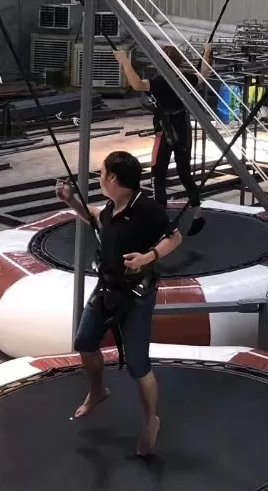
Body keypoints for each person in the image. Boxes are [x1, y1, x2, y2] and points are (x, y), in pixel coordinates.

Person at [56, 150, 182, 456]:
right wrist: (71, 200)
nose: (99, 179)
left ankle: (151, 419)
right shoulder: (112, 208)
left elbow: (175, 237)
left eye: (101, 174)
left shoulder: (146, 209)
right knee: (85, 340)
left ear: (114, 177)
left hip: (136, 295)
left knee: (138, 365)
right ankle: (98, 391)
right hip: (107, 287)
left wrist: (148, 257)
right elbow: (94, 217)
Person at [115, 42, 212, 219]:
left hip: (165, 133)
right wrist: (207, 52)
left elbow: (136, 84)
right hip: (183, 130)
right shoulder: (186, 78)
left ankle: (161, 217)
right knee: (185, 174)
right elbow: (203, 74)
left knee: (158, 176)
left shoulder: (159, 83)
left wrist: (124, 61)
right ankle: (197, 214)